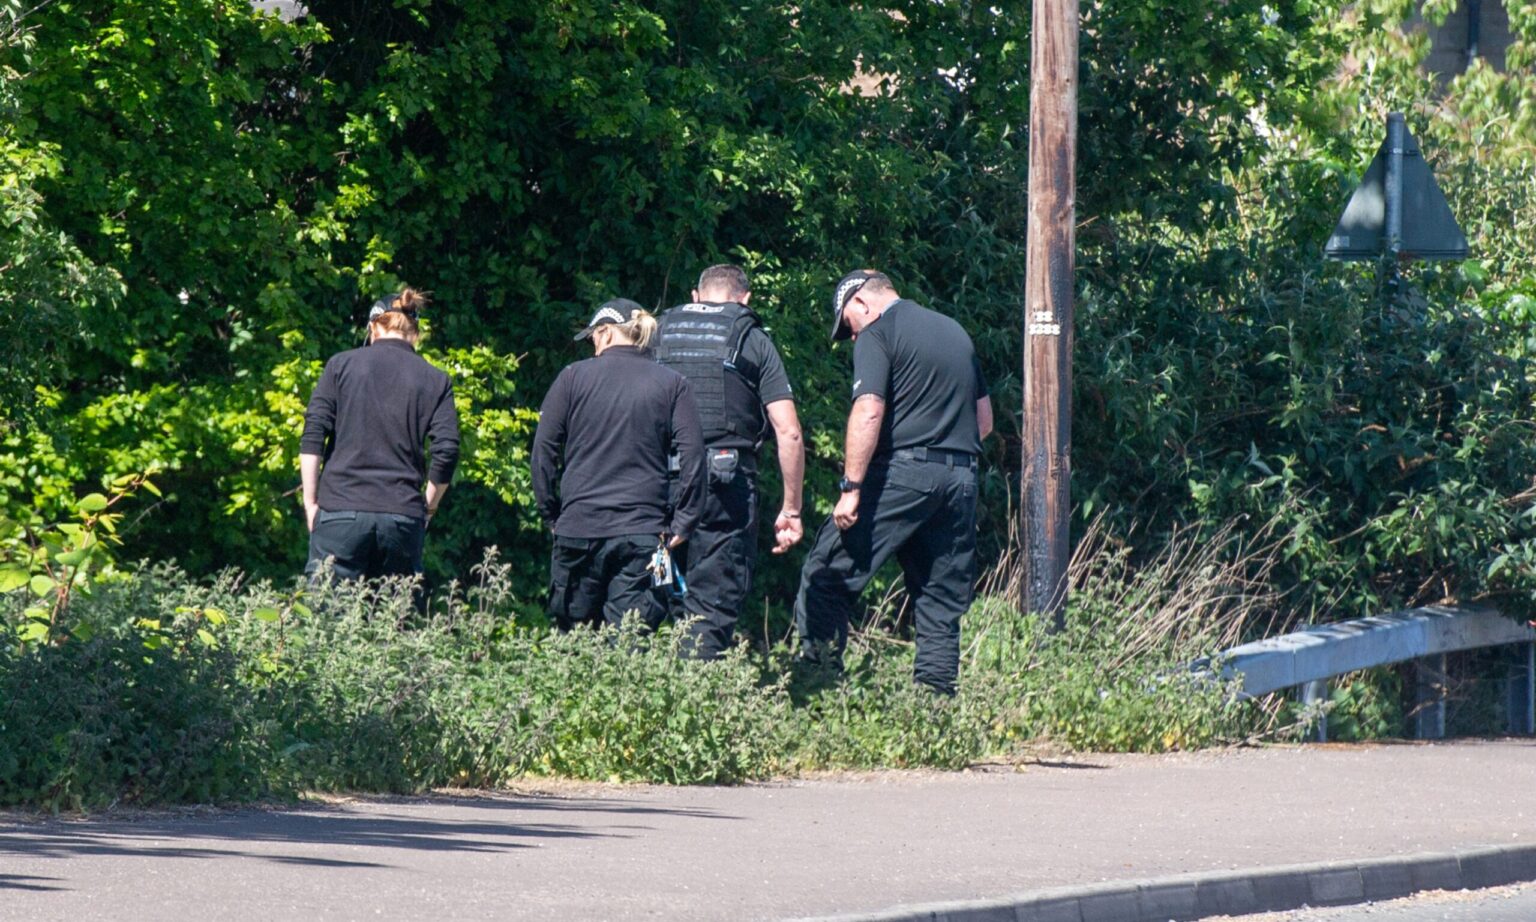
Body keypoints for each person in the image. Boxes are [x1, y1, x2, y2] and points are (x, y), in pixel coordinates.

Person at [793, 270, 993, 695]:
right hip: (961, 476)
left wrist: (851, 488)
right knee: (939, 599)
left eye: (848, 325)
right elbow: (985, 422)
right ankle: (933, 714)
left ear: (863, 305)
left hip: (904, 471)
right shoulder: (955, 331)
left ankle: (815, 695)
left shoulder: (879, 333)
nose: (851, 338)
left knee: (827, 571)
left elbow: (868, 409)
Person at [654, 264, 806, 659]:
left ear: (695, 296)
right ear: (746, 299)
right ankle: (696, 703)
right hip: (722, 485)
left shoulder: (658, 332)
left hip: (658, 485)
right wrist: (791, 509)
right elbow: (788, 431)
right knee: (711, 601)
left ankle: (645, 694)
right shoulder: (750, 338)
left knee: (653, 592)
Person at [532, 299, 707, 632]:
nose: (593, 346)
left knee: (573, 641)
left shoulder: (571, 378)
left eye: (594, 338)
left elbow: (543, 451)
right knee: (632, 641)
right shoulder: (672, 383)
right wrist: (684, 522)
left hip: (578, 530)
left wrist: (550, 513)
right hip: (646, 534)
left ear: (607, 333)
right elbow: (694, 457)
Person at [300, 288, 460, 590]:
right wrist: (427, 508)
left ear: (374, 326)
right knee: (392, 627)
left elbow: (313, 436)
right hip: (402, 516)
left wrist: (310, 503)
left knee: (327, 629)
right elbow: (447, 450)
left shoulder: (340, 365)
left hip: (340, 512)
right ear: (415, 332)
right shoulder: (436, 380)